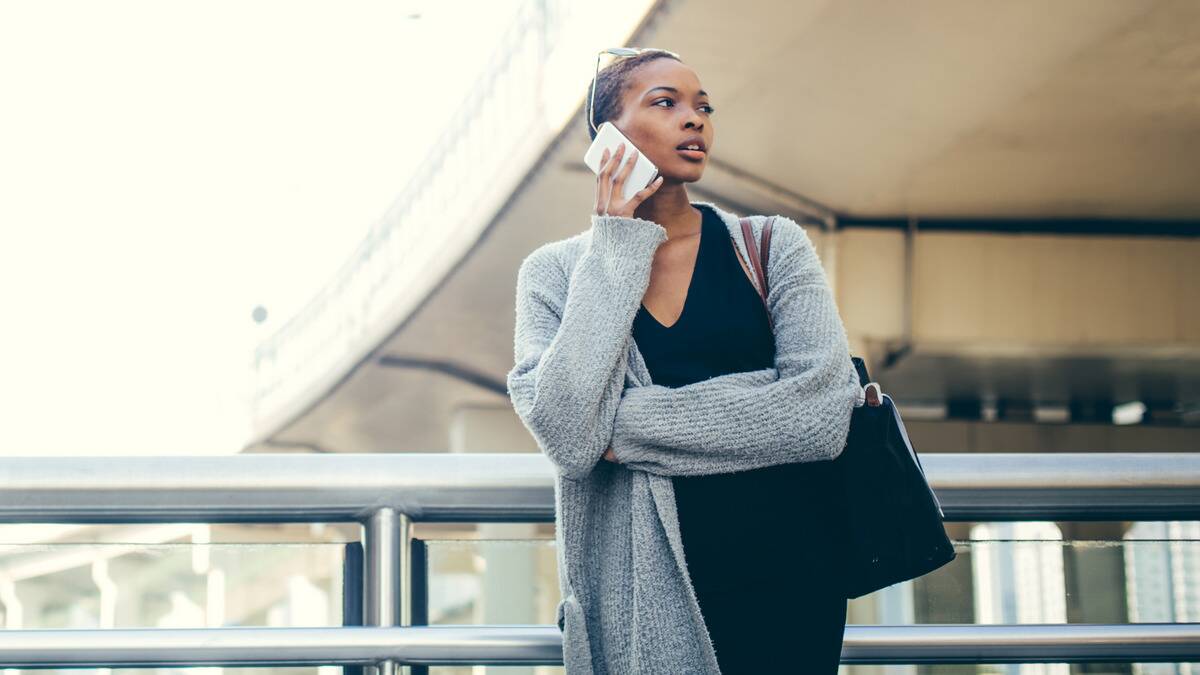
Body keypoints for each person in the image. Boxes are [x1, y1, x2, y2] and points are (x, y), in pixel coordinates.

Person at [507, 48, 869, 674]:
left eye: (703, 106)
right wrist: (616, 245)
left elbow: (818, 414)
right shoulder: (555, 275)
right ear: (606, 138)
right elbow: (567, 434)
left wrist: (619, 428)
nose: (694, 119)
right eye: (665, 103)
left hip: (790, 578)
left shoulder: (773, 245)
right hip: (640, 595)